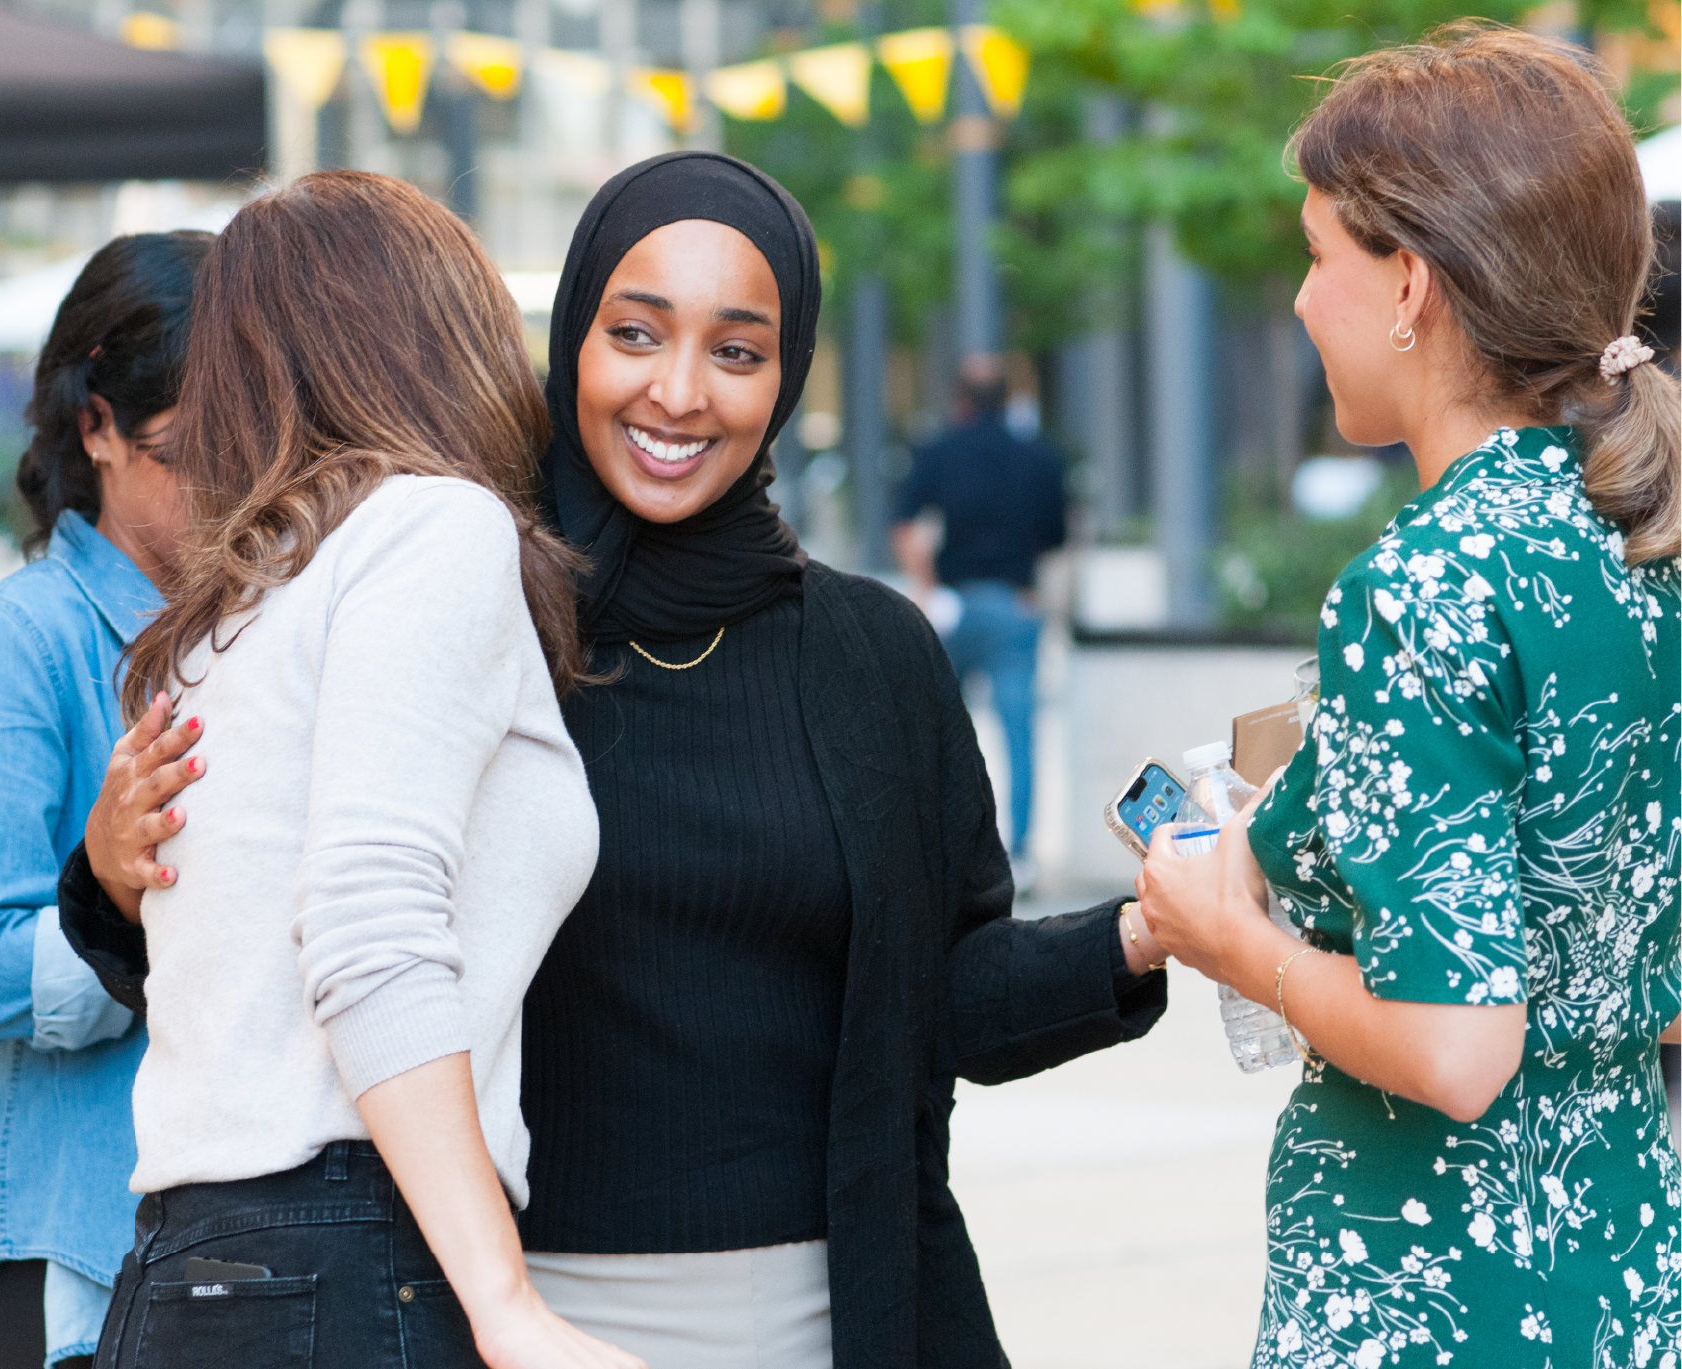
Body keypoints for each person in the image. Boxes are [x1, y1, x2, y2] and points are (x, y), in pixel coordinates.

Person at [73, 152, 1168, 1369]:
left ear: (788, 372)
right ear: (567, 340)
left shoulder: (868, 653)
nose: (680, 392)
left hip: (829, 1309)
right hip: (503, 1304)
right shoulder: (454, 583)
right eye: (635, 334)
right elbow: (315, 930)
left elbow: (946, 997)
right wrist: (112, 877)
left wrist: (1140, 932)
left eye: (738, 352)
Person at [1137, 25, 1679, 1369]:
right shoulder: (1636, 543)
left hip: (1427, 1284)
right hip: (1614, 1257)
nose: (1305, 299)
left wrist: (1230, 933)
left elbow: (1453, 1053)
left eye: (1319, 256)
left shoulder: (1425, 581)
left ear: (1410, 288)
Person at [62, 172, 639, 1369]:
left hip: (191, 1265)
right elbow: (369, 923)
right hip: (351, 1245)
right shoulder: (429, 530)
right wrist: (504, 1302)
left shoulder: (236, 607)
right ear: (435, 331)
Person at [0, 229, 210, 1369]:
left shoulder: (253, 639)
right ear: (97, 427)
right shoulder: (14, 644)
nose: (236, 484)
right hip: (64, 1271)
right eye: (193, 452)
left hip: (212, 1256)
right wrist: (107, 892)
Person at [892, 354, 1068, 889]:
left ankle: (949, 851)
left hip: (955, 607)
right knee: (1020, 734)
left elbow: (902, 526)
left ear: (960, 400)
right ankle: (1021, 855)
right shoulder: (1038, 457)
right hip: (1015, 606)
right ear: (1010, 399)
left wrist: (927, 585)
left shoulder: (939, 451)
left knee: (943, 734)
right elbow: (1057, 536)